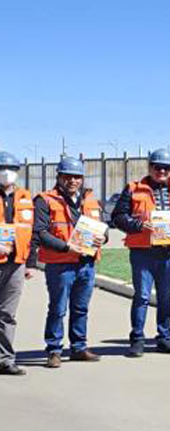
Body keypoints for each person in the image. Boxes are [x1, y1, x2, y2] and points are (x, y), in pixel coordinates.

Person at [111, 149, 170, 357]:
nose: (162, 171)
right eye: (157, 167)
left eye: (166, 168)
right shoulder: (133, 189)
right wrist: (138, 225)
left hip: (169, 252)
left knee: (165, 297)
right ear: (150, 167)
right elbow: (117, 217)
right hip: (143, 252)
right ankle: (137, 339)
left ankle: (164, 338)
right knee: (142, 296)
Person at [33, 157, 107, 368]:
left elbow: (103, 226)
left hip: (86, 263)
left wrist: (104, 237)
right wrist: (66, 247)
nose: (72, 180)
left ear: (82, 179)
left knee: (81, 308)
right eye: (68, 176)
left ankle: (78, 347)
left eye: (77, 177)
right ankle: (54, 350)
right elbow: (40, 232)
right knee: (58, 308)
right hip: (60, 264)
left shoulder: (90, 200)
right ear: (59, 177)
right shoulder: (45, 200)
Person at [0, 151, 36, 375]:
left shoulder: (25, 197)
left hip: (16, 263)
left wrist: (30, 263)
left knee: (7, 315)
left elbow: (30, 233)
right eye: (2, 168)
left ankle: (5, 360)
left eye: (11, 169)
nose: (6, 173)